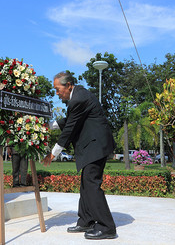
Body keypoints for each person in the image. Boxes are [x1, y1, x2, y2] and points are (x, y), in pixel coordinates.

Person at [43, 72, 117, 240]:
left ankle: (107, 227)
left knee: (91, 184)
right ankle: (86, 221)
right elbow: (69, 120)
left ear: (68, 85)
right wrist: (47, 126)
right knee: (86, 184)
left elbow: (69, 129)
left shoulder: (78, 99)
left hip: (96, 145)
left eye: (57, 89)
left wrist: (52, 154)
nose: (57, 93)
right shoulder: (78, 95)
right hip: (93, 145)